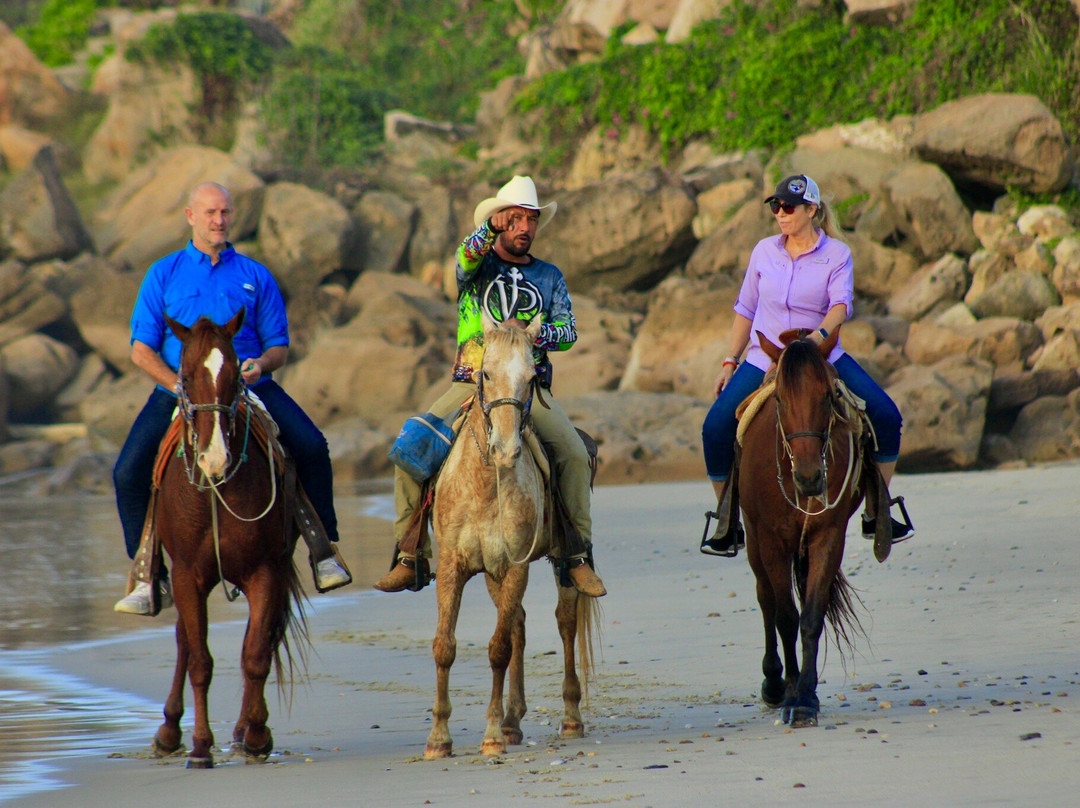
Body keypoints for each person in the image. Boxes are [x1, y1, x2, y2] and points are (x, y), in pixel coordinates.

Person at [112, 182, 351, 615]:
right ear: (190, 216)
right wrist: (175, 384)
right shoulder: (163, 274)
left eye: (224, 213)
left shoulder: (255, 275)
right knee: (127, 471)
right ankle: (148, 574)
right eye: (209, 213)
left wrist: (260, 365)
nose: (218, 221)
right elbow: (141, 349)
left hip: (246, 387)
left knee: (313, 447)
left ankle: (324, 550)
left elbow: (279, 344)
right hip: (180, 392)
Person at [373, 175, 606, 597]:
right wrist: (487, 230)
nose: (524, 228)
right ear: (501, 221)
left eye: (531, 220)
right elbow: (462, 259)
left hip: (527, 390)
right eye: (516, 219)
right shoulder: (478, 266)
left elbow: (569, 330)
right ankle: (410, 554)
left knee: (572, 453)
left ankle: (578, 557)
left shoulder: (550, 276)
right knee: (410, 446)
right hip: (472, 381)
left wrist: (534, 336)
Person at [700, 173, 915, 555]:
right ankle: (727, 519)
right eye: (776, 207)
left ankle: (876, 509)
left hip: (819, 355)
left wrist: (815, 341)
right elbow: (745, 309)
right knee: (715, 427)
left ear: (811, 210)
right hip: (764, 356)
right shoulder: (763, 251)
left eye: (788, 207)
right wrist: (729, 361)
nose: (780, 213)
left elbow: (840, 306)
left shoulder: (837, 254)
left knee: (886, 415)